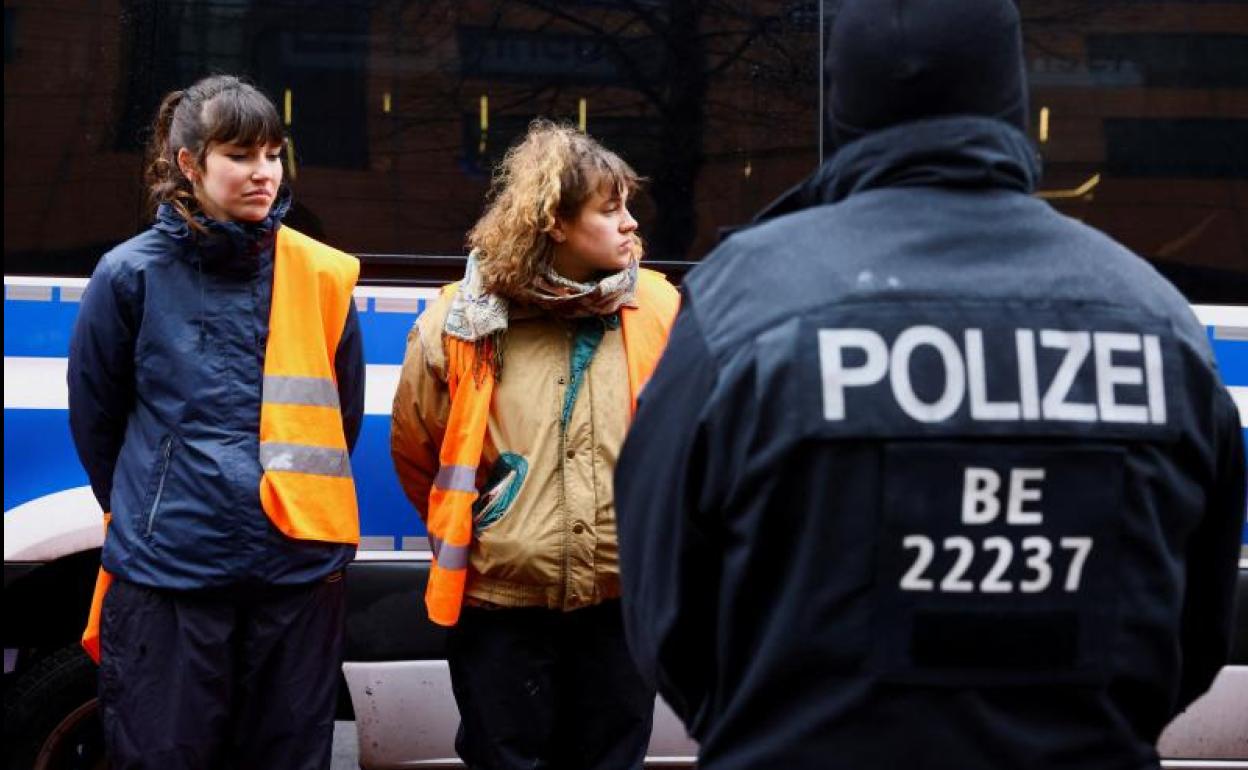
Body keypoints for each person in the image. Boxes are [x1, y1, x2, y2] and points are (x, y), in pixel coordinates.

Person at [613, 1, 1247, 768]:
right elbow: (1198, 626)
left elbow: (662, 611)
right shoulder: (1155, 318)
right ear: (1013, 96)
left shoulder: (744, 302)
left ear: (842, 99)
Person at [68, 74, 365, 770]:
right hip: (170, 572)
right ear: (190, 164)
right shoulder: (128, 275)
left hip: (295, 568)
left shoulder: (321, 274)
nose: (262, 173)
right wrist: (154, 508)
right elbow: (98, 421)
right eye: (240, 155)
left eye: (272, 154)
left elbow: (336, 419)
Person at [390, 120, 679, 770]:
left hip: (620, 600)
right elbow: (420, 453)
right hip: (501, 607)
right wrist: (497, 520)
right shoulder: (461, 322)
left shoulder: (659, 308)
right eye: (611, 210)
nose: (632, 224)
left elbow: (687, 446)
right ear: (554, 222)